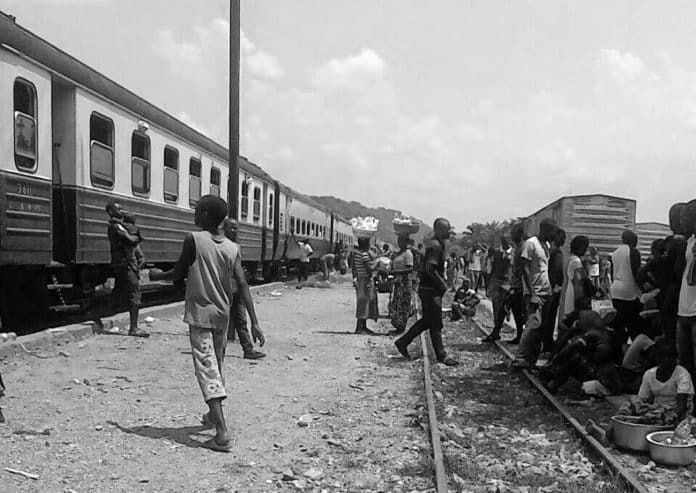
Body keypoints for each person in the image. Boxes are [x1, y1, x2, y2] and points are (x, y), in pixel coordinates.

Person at [149, 196, 265, 452]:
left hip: (201, 315)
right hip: (222, 316)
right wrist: (255, 323)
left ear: (204, 215)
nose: (195, 214)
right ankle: (213, 417)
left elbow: (178, 273)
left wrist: (158, 275)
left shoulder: (193, 239)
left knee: (206, 369)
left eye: (198, 210)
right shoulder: (232, 248)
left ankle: (222, 433)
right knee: (217, 365)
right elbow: (243, 285)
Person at [395, 218, 459, 366]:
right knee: (435, 323)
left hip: (428, 288)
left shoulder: (436, 243)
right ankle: (441, 355)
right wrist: (442, 284)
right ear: (438, 230)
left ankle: (403, 342)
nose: (449, 232)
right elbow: (430, 269)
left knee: (428, 321)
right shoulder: (436, 246)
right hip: (430, 289)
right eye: (446, 230)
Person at [513, 218, 557, 368]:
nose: (554, 234)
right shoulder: (531, 243)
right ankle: (520, 359)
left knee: (541, 328)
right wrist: (532, 294)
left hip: (546, 292)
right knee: (532, 325)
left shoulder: (546, 245)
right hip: (535, 292)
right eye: (553, 231)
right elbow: (524, 269)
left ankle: (531, 360)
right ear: (545, 230)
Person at [222, 218, 265, 360]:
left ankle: (248, 349)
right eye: (231, 227)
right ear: (224, 228)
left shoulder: (236, 246)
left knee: (241, 320)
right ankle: (218, 349)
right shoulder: (220, 245)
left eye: (236, 228)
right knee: (222, 321)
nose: (234, 231)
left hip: (237, 290)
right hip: (226, 289)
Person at [105, 201, 148, 338]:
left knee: (119, 292)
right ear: (111, 211)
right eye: (118, 209)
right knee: (135, 295)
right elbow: (130, 239)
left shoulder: (118, 225)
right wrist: (137, 236)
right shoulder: (116, 225)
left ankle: (94, 314)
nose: (121, 211)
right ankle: (133, 328)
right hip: (126, 264)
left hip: (122, 264)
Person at [637, 340, 694, 421]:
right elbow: (641, 400)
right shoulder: (649, 374)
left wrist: (663, 416)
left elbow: (681, 408)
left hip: (676, 415)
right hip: (656, 412)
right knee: (631, 404)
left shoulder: (682, 374)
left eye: (670, 357)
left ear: (675, 358)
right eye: (663, 357)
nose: (667, 360)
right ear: (657, 358)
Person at [610, 230, 643, 349]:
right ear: (632, 240)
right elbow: (637, 273)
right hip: (629, 292)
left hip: (616, 291)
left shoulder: (615, 253)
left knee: (619, 323)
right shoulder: (634, 252)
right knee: (633, 324)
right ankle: (634, 352)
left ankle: (618, 349)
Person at [677, 201, 696, 391]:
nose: (682, 222)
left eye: (686, 217)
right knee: (685, 364)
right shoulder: (689, 243)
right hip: (684, 309)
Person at [482, 236, 513, 342]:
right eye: (503, 241)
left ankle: (506, 315)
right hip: (496, 281)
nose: (504, 243)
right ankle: (496, 329)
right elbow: (493, 267)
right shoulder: (497, 252)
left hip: (507, 282)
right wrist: (489, 284)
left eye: (506, 241)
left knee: (505, 305)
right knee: (496, 305)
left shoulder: (513, 253)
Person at [542, 229, 566, 353]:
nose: (564, 240)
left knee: (550, 317)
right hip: (551, 289)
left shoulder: (554, 252)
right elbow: (554, 271)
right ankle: (546, 343)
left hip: (552, 289)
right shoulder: (554, 253)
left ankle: (547, 342)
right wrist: (555, 285)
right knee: (548, 318)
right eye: (562, 238)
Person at [389, 234, 415, 335]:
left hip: (404, 283)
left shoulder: (408, 253)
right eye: (399, 240)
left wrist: (396, 272)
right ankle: (398, 327)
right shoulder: (398, 253)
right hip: (397, 283)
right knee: (396, 304)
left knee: (403, 305)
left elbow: (410, 268)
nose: (400, 243)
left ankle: (401, 328)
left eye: (402, 241)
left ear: (406, 242)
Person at [352, 237, 378, 334]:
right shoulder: (364, 255)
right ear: (366, 244)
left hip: (360, 279)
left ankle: (363, 326)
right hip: (365, 281)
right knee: (364, 303)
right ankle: (360, 328)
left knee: (362, 303)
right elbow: (369, 269)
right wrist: (376, 263)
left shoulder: (357, 254)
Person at [506, 223, 527, 344]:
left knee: (520, 313)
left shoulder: (523, 248)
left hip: (519, 286)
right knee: (517, 313)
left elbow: (524, 269)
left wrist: (519, 287)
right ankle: (519, 336)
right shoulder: (517, 248)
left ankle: (522, 337)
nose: (511, 236)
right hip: (515, 284)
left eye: (513, 233)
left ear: (519, 234)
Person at [563, 236, 590, 321]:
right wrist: (581, 302)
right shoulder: (576, 261)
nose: (585, 251)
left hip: (567, 290)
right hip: (573, 294)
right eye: (585, 248)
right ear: (580, 247)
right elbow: (578, 283)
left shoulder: (568, 258)